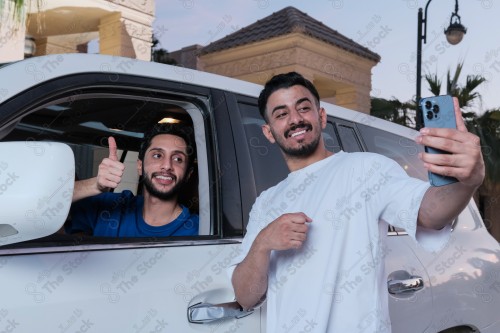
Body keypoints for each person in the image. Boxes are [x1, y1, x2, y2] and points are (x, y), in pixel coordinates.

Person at [229, 72, 484, 332]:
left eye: (304, 108)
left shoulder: (367, 169)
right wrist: (262, 244)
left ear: (322, 116)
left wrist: (467, 181)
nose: (295, 119)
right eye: (281, 114)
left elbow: (431, 212)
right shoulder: (266, 202)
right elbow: (245, 296)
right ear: (269, 132)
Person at [67, 123, 199, 237]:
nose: (167, 166)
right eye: (157, 155)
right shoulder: (114, 206)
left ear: (188, 174)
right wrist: (95, 185)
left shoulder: (198, 229)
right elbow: (51, 202)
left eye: (178, 159)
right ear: (140, 166)